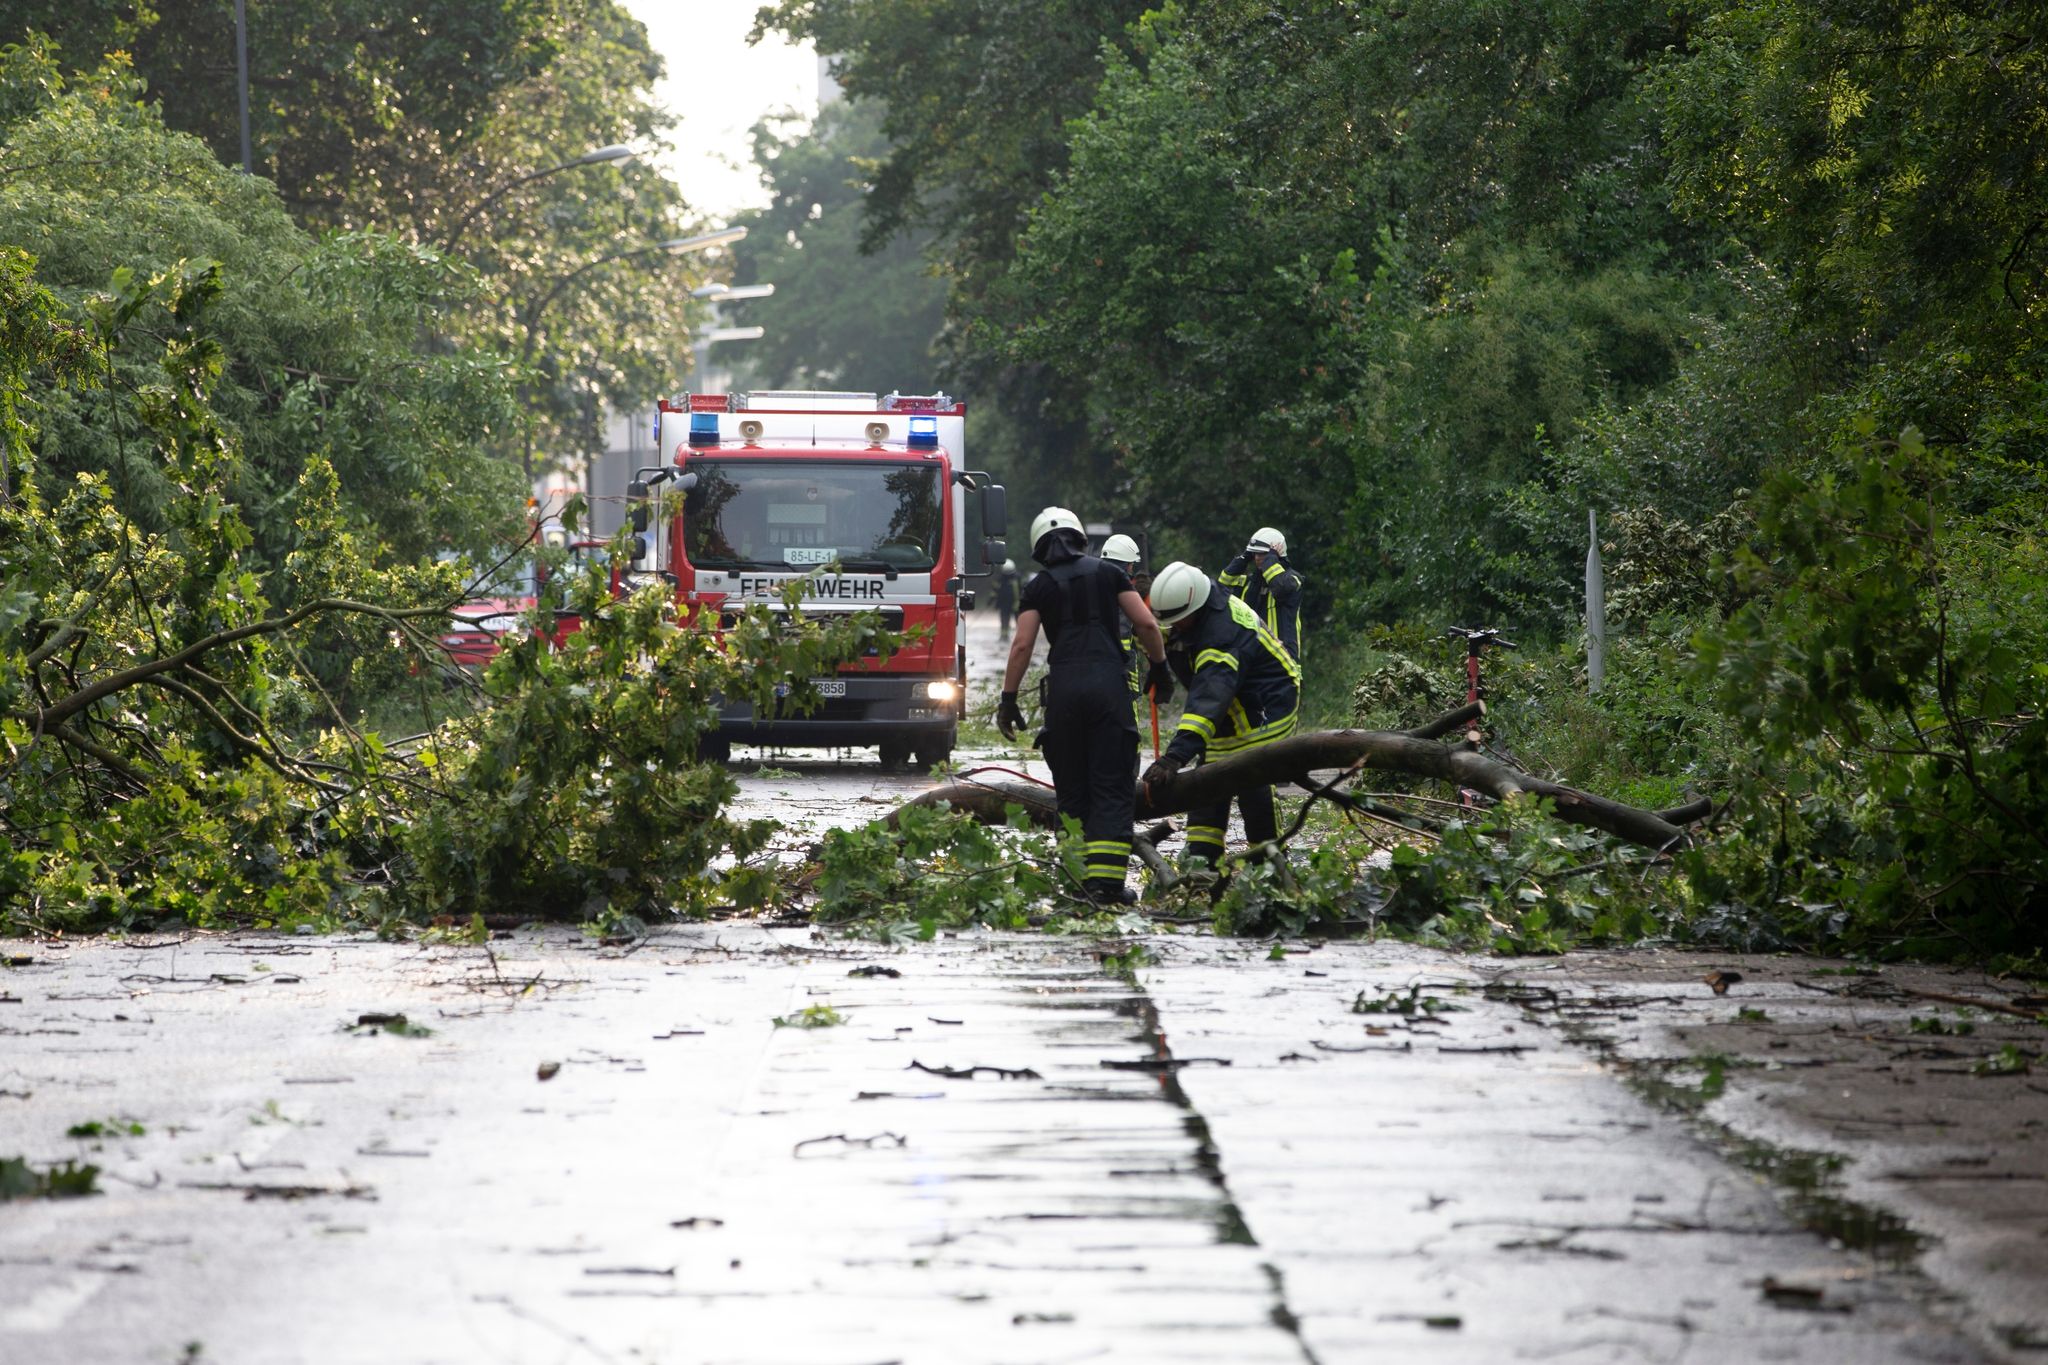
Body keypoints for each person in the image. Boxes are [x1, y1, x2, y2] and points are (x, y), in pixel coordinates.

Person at [999, 509, 1174, 903]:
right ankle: (1107, 887)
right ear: (1080, 538)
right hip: (1108, 692)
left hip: (1063, 696)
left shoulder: (1038, 586)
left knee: (1072, 793)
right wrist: (1161, 669)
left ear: (1039, 547)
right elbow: (1145, 624)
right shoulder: (1110, 574)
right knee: (1111, 790)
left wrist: (1008, 700)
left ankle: (1076, 884)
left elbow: (1022, 645)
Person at [1140, 561, 1301, 870]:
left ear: (1195, 608)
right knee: (1211, 775)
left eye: (1179, 622)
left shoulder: (1223, 635)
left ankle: (1266, 863)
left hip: (1269, 704)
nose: (1174, 628)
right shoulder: (1191, 606)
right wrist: (1159, 666)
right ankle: (1202, 859)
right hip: (1234, 700)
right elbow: (1158, 631)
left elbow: (1208, 700)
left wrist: (1174, 757)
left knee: (1249, 774)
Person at [1217, 527, 1304, 663]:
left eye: (1262, 554)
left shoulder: (1293, 579)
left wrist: (1270, 559)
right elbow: (1223, 585)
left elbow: (1280, 589)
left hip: (1285, 660)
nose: (1257, 558)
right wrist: (1245, 557)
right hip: (1255, 660)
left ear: (1276, 555)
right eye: (1255, 554)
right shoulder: (1251, 583)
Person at [1098, 534, 1148, 703]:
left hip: (1092, 662)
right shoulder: (1124, 589)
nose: (1132, 570)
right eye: (1132, 565)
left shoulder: (1091, 582)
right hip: (1122, 662)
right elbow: (1136, 627)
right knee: (1127, 712)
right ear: (1126, 565)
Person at [993, 558, 1019, 641]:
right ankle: (1004, 636)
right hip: (1004, 605)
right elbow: (995, 591)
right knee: (1004, 620)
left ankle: (1020, 636)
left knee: (1018, 621)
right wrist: (992, 601)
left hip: (1016, 604)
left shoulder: (1017, 578)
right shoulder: (1000, 579)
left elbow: (1022, 591)